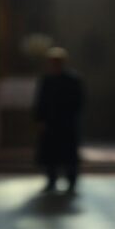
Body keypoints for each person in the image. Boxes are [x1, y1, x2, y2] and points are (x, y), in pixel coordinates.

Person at [34, 47, 85, 193]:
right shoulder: (47, 79)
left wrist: (70, 117)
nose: (54, 64)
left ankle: (71, 181)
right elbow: (41, 101)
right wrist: (40, 119)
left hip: (67, 123)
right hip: (50, 123)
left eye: (57, 61)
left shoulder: (72, 79)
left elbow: (79, 101)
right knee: (50, 153)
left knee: (68, 153)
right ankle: (51, 180)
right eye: (52, 61)